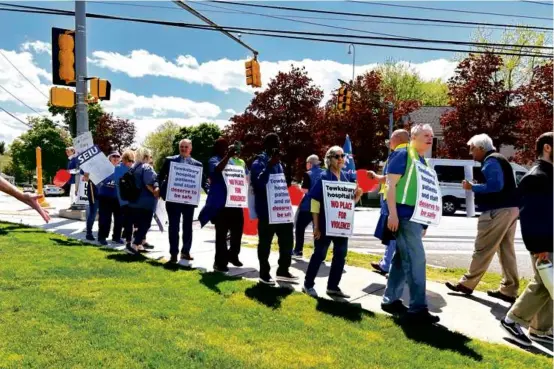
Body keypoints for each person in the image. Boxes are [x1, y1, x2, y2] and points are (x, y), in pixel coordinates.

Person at [446, 133, 520, 303]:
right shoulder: (499, 158)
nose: (471, 154)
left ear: (480, 148)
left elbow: (495, 185)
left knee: (483, 248)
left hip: (497, 210)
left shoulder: (491, 161)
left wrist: (472, 187)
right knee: (506, 250)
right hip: (510, 209)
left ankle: (467, 284)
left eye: (472, 150)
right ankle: (509, 290)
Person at [381, 124, 440, 324]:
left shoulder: (423, 161)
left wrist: (424, 223)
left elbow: (425, 195)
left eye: (432, 136)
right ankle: (418, 308)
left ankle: (390, 300)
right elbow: (390, 186)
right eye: (426, 135)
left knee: (400, 259)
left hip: (414, 219)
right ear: (413, 136)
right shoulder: (404, 155)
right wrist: (392, 215)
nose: (430, 138)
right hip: (404, 217)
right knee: (416, 260)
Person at [500, 132, 553, 346]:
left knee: (549, 286)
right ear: (547, 148)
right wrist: (540, 246)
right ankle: (511, 321)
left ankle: (540, 329)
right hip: (544, 243)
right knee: (542, 284)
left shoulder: (548, 174)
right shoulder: (536, 176)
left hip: (550, 240)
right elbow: (531, 216)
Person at [302, 146, 363, 298]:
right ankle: (308, 284)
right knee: (319, 254)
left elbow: (348, 205)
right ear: (329, 159)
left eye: (343, 155)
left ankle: (333, 287)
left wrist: (356, 197)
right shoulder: (324, 177)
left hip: (340, 225)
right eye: (337, 156)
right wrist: (316, 226)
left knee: (340, 255)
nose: (341, 158)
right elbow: (314, 202)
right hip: (324, 224)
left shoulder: (346, 178)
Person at [250, 133, 298, 285]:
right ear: (267, 145)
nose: (277, 146)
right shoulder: (258, 163)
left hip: (281, 210)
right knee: (265, 243)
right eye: (274, 143)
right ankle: (264, 273)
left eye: (278, 142)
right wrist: (269, 165)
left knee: (288, 241)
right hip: (266, 211)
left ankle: (283, 270)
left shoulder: (280, 164)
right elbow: (258, 184)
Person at [199, 138, 246, 272]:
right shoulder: (213, 160)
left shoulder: (232, 161)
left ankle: (232, 255)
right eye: (223, 147)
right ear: (217, 148)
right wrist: (228, 156)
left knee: (237, 232)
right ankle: (219, 263)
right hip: (221, 204)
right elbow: (218, 169)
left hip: (235, 202)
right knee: (221, 235)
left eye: (227, 147)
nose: (226, 149)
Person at [370, 129, 410, 275]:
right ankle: (386, 263)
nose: (389, 143)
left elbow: (391, 182)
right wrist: (376, 177)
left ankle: (390, 266)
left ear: (398, 139)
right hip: (396, 203)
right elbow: (389, 177)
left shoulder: (400, 153)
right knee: (393, 236)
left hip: (395, 204)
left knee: (394, 236)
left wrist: (392, 212)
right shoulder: (412, 154)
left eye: (390, 140)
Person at [157, 139, 203, 263]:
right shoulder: (170, 160)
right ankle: (173, 253)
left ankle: (185, 252)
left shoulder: (197, 165)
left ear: (190, 148)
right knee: (173, 227)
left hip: (189, 201)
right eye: (181, 147)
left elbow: (202, 182)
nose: (183, 149)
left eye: (186, 147)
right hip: (173, 200)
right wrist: (158, 188)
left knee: (188, 227)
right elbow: (160, 176)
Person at [126, 147, 159, 255]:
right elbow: (148, 183)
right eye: (149, 156)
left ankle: (139, 245)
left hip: (133, 202)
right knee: (145, 225)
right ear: (145, 156)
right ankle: (134, 245)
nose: (150, 158)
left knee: (138, 225)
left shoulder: (133, 167)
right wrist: (155, 192)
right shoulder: (147, 167)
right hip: (145, 202)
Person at [293, 154, 324, 259]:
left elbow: (305, 190)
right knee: (317, 228)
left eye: (307, 163)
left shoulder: (308, 174)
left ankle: (298, 250)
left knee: (300, 227)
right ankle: (318, 252)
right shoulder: (324, 173)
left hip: (308, 205)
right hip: (320, 206)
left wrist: (298, 187)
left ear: (310, 163)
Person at [96, 151, 123, 246]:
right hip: (105, 196)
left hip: (118, 198)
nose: (116, 158)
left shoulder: (122, 169)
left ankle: (116, 237)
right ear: (109, 158)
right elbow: (96, 179)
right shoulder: (104, 168)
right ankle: (102, 237)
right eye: (113, 156)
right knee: (105, 218)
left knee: (119, 219)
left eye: (118, 156)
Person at [114, 149, 138, 249]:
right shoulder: (118, 168)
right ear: (124, 159)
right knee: (128, 221)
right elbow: (119, 183)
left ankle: (132, 240)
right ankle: (128, 241)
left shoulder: (132, 169)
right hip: (123, 199)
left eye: (133, 161)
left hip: (132, 199)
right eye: (129, 160)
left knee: (132, 221)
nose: (131, 163)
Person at [84, 174, 99, 241]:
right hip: (93, 194)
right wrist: (88, 176)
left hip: (103, 193)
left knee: (103, 215)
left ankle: (101, 234)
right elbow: (85, 178)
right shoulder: (90, 167)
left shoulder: (105, 166)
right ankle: (89, 233)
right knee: (93, 214)